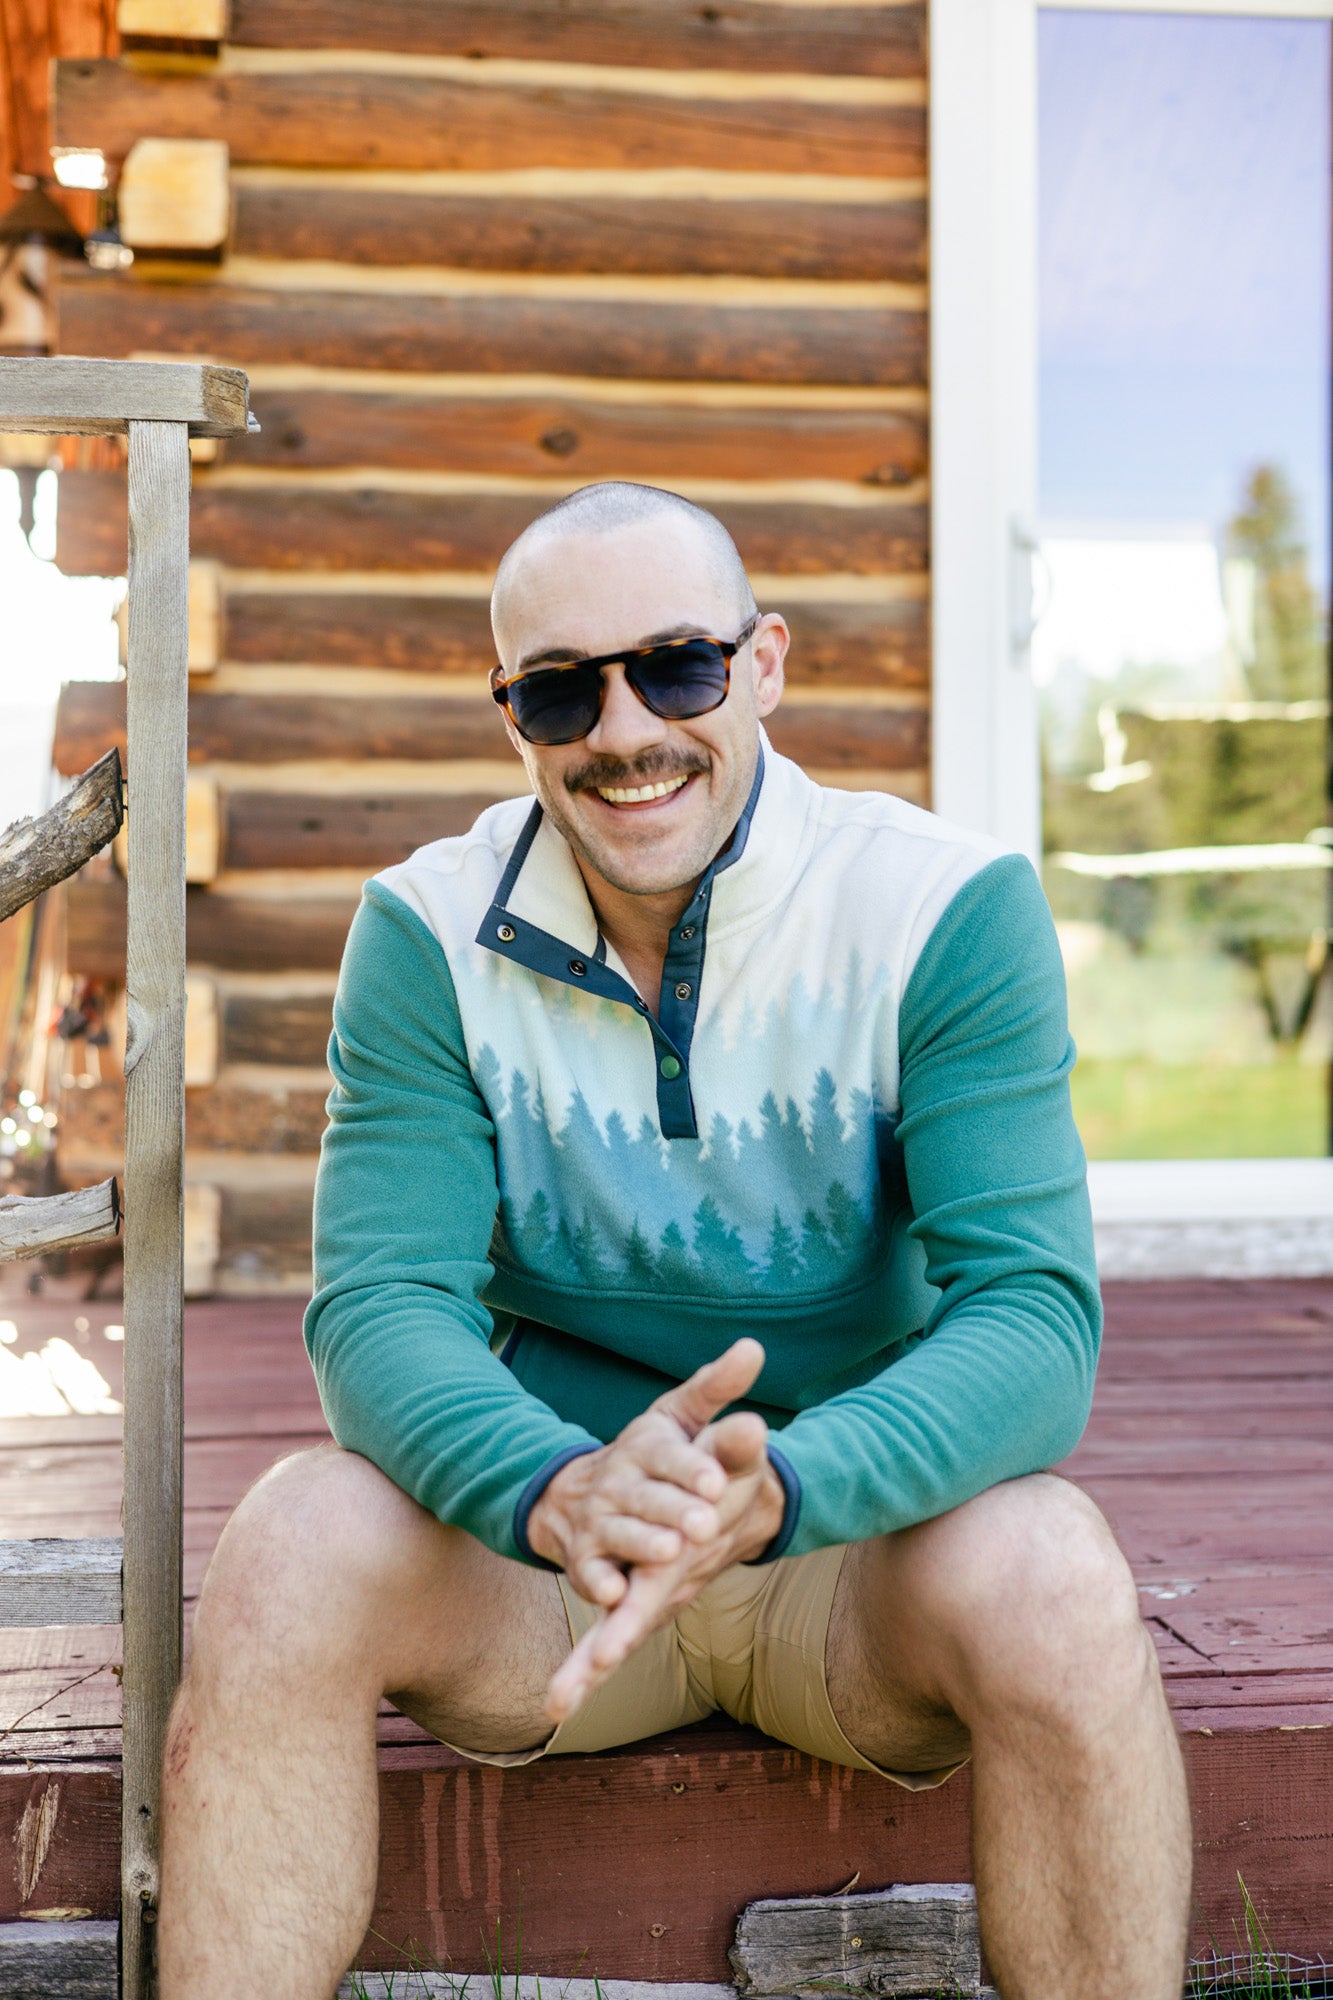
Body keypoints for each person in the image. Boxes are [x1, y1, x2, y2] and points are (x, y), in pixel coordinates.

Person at [158, 483, 1191, 2000]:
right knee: (291, 1540)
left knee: (1052, 1567)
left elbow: (1034, 1322)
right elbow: (380, 1306)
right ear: (510, 715)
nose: (625, 730)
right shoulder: (425, 931)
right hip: (553, 1563)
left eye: (678, 667)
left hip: (852, 1560)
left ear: (763, 663)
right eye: (561, 690)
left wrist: (784, 1485)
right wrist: (554, 1486)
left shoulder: (941, 908)